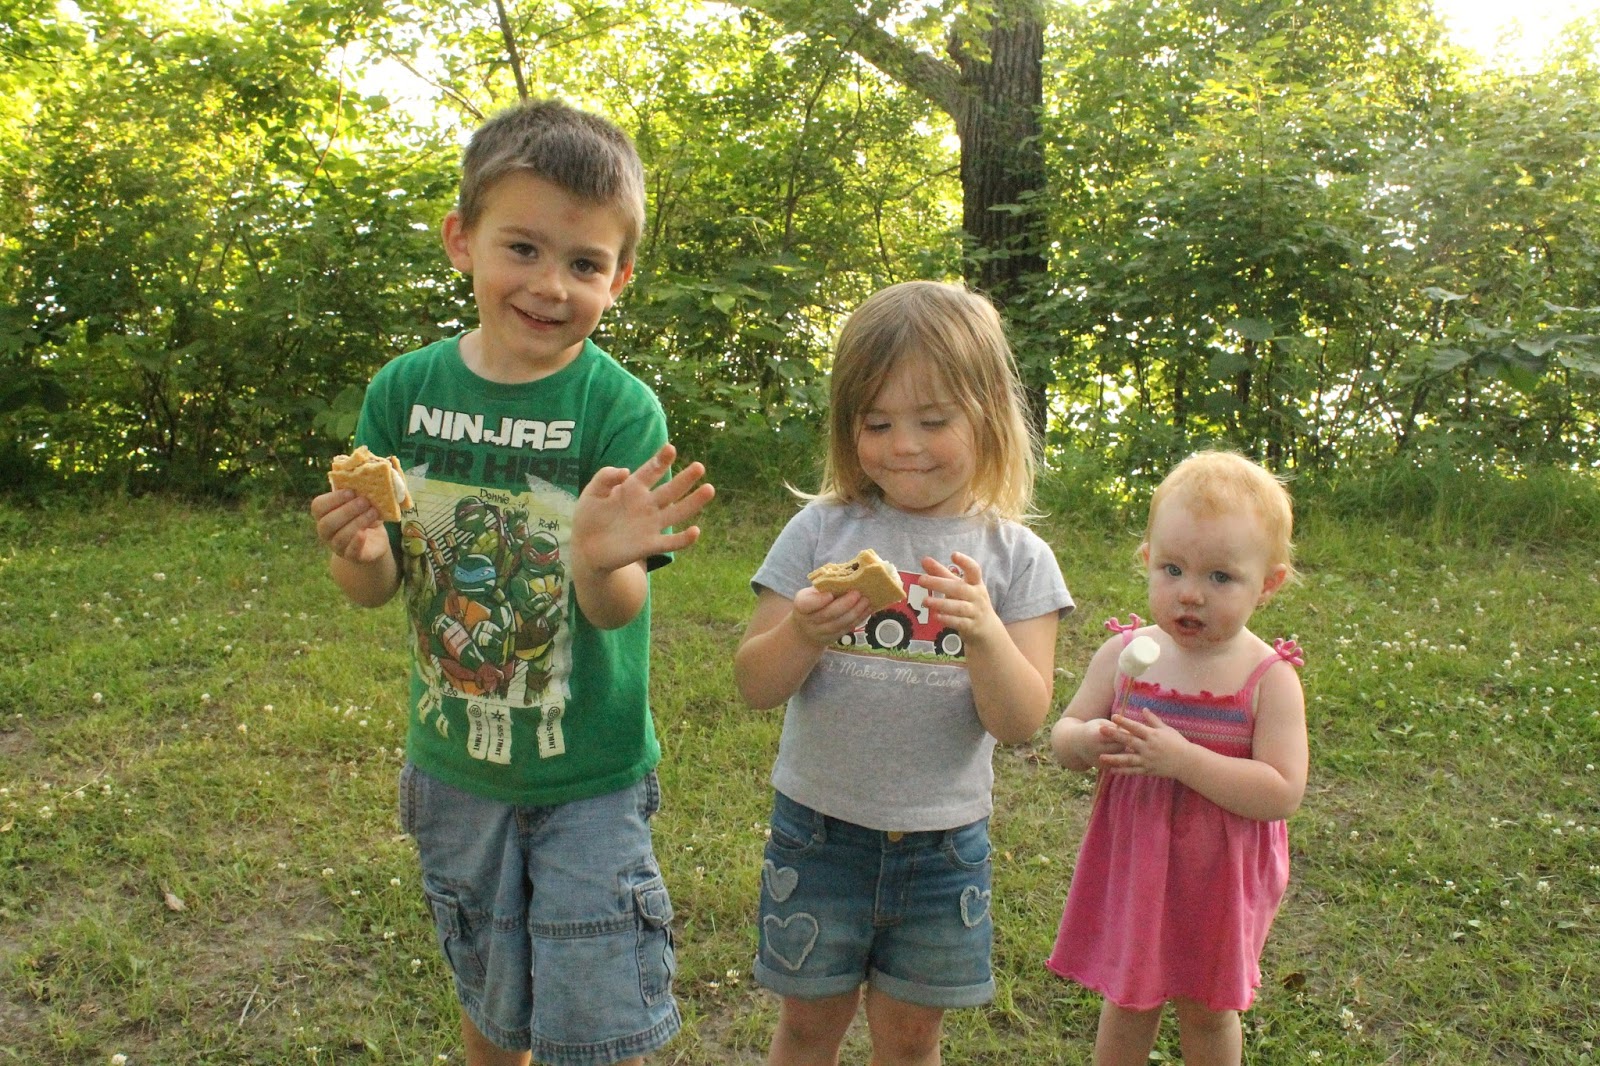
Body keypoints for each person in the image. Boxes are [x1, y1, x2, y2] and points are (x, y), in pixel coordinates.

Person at [309, 99, 714, 1066]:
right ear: (463, 241)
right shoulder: (405, 394)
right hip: (454, 766)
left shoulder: (618, 409)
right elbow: (377, 588)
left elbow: (621, 606)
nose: (550, 285)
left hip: (590, 773)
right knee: (493, 1001)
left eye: (584, 264)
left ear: (618, 277)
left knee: (595, 1019)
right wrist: (358, 553)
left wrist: (596, 560)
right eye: (523, 248)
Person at [733, 280, 1074, 1066]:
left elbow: (1020, 720)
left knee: (912, 1036)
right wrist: (804, 632)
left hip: (944, 845)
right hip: (819, 831)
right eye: (878, 422)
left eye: (933, 420)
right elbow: (754, 683)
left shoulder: (1018, 559)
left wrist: (985, 632)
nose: (905, 445)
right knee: (809, 1026)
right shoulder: (821, 532)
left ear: (988, 416)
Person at [1046, 450, 1308, 1066]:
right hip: (1138, 859)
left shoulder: (1268, 679)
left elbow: (1281, 791)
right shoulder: (1123, 654)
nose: (1190, 594)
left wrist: (1184, 760)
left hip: (1219, 875)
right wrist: (1086, 743)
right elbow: (1066, 733)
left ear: (1267, 584)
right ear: (1146, 562)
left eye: (1220, 578)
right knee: (1128, 1001)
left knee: (1209, 1011)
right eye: (1172, 569)